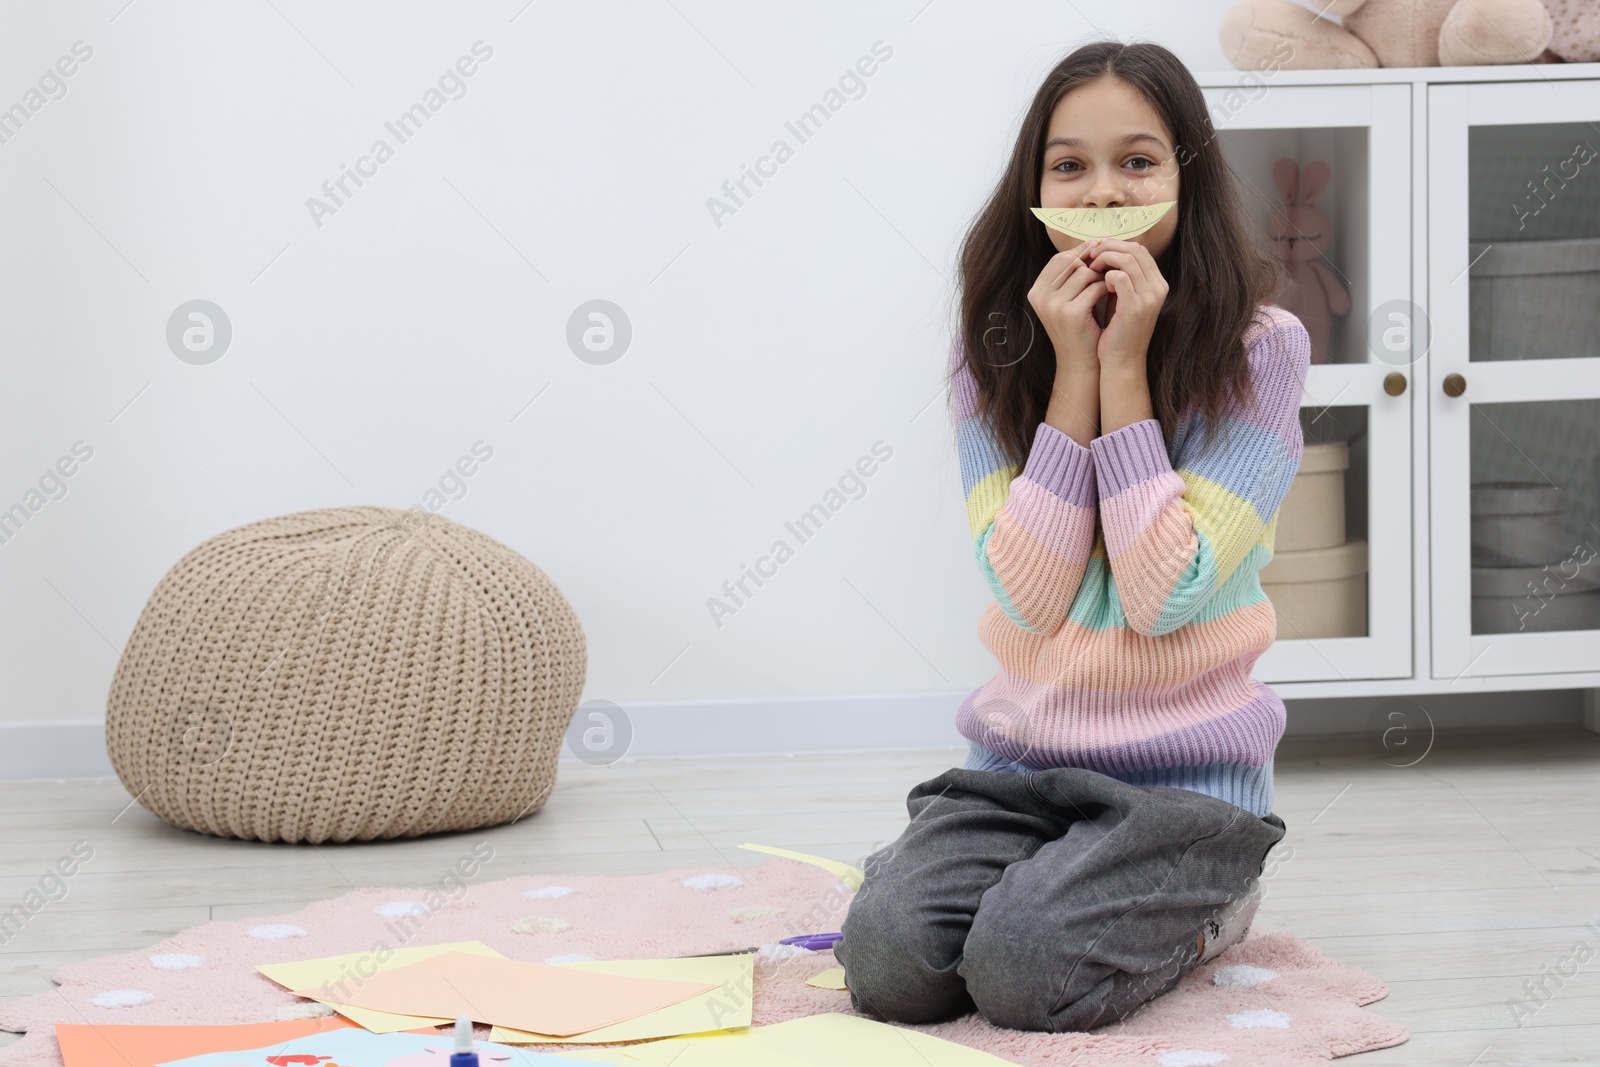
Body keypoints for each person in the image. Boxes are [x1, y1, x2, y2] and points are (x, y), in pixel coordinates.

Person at [834, 38, 1309, 1032]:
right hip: (1019, 771)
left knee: (1020, 970)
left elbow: (1162, 592)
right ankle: (1025, 880)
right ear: (1033, 186)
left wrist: (1124, 367)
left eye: (1136, 161)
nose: (1100, 193)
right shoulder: (992, 351)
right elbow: (1031, 595)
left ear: (1186, 176)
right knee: (885, 960)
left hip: (1186, 789)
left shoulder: (1262, 350)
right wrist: (1072, 377)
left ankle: (1210, 899)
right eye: (1069, 164)